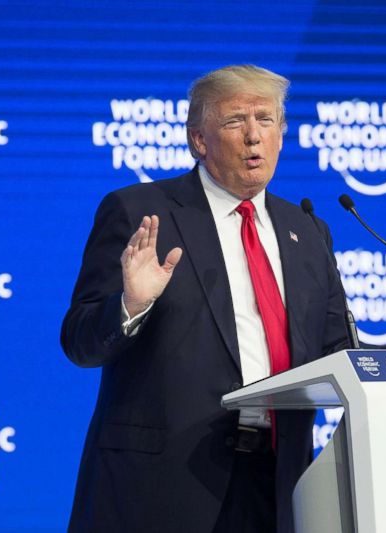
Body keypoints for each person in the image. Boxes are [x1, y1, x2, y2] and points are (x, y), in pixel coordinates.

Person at [61, 65, 349, 532]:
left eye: (267, 120)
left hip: (279, 485)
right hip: (160, 489)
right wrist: (131, 305)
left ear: (282, 134)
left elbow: (337, 350)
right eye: (236, 121)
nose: (254, 136)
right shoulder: (139, 212)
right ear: (199, 139)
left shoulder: (308, 231)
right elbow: (79, 341)